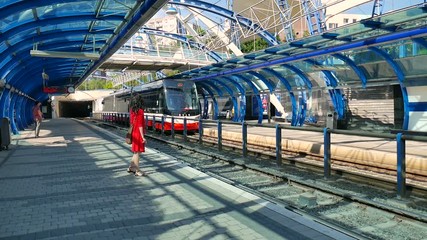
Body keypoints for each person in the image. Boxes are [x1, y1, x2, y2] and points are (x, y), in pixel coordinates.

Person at [127, 94, 146, 176]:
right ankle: (137, 171)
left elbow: (133, 123)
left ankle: (131, 168)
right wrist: (143, 137)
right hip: (138, 134)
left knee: (135, 152)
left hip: (133, 133)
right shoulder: (140, 111)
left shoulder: (131, 110)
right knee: (137, 152)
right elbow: (140, 125)